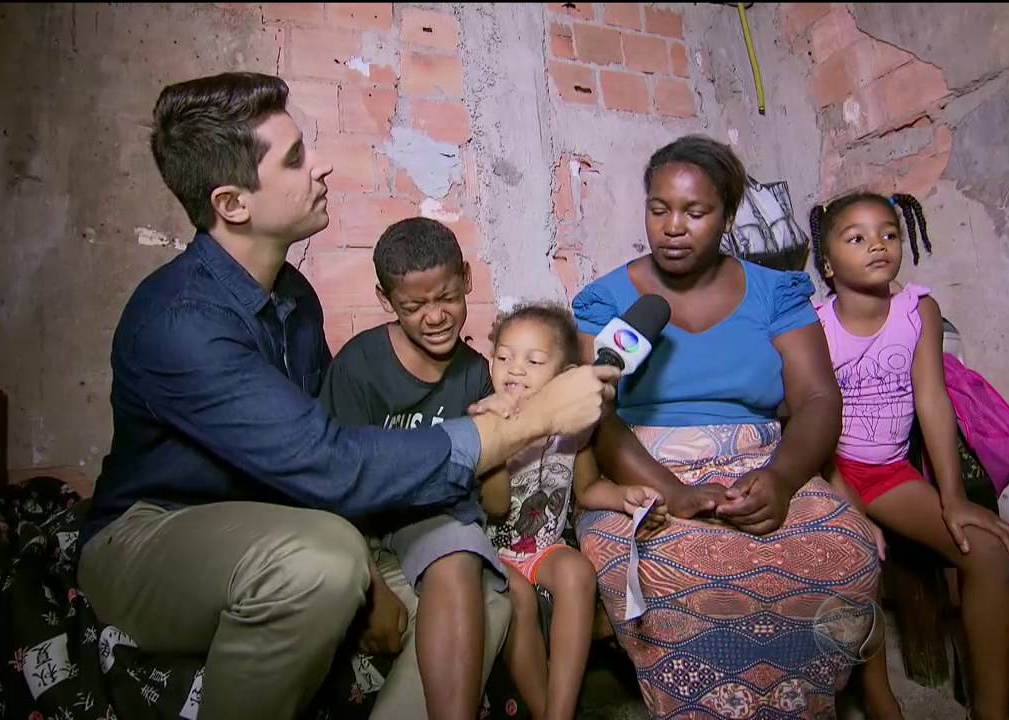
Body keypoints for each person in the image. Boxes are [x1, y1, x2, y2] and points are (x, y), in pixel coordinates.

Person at [75, 71, 618, 720]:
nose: (321, 167)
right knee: (318, 565)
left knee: (490, 595)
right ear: (233, 203)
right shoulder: (181, 323)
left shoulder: (294, 301)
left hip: (285, 526)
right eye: (297, 158)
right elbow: (331, 462)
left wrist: (364, 566)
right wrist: (532, 420)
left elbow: (306, 462)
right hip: (152, 531)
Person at [570, 134, 881, 718]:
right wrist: (675, 493)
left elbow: (816, 397)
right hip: (641, 473)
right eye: (659, 209)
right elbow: (598, 415)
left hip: (762, 464)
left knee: (848, 552)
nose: (673, 227)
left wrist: (783, 479)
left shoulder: (775, 292)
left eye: (695, 211)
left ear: (727, 215)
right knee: (678, 574)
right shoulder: (607, 299)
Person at [810, 192, 1009, 720]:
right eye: (856, 237)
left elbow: (933, 400)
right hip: (829, 471)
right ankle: (878, 696)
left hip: (888, 473)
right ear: (829, 265)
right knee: (856, 557)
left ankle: (992, 711)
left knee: (989, 554)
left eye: (888, 233)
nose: (877, 244)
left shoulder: (918, 309)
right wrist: (847, 505)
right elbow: (808, 422)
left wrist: (952, 498)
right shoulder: (813, 324)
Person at [318, 216, 510, 720]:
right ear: (386, 302)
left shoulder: (474, 374)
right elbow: (333, 490)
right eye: (414, 306)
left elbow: (494, 502)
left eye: (447, 297)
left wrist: (506, 432)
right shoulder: (358, 366)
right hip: (359, 521)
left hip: (428, 522)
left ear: (467, 278)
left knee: (459, 552)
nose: (435, 316)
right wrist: (370, 587)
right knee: (494, 604)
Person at [480, 302, 666, 720]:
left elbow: (587, 488)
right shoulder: (487, 419)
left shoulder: (575, 427)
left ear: (565, 376)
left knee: (578, 572)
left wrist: (625, 496)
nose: (514, 369)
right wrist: (496, 441)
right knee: (519, 597)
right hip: (493, 553)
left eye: (533, 360)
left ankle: (561, 711)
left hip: (542, 547)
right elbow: (492, 508)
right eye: (504, 357)